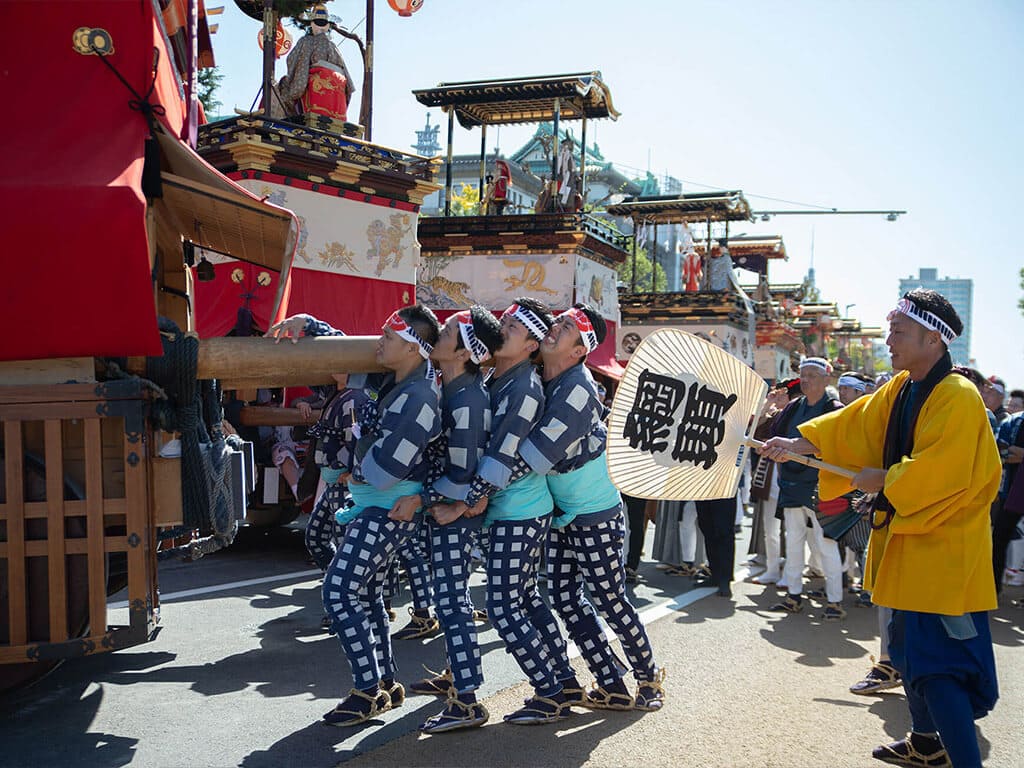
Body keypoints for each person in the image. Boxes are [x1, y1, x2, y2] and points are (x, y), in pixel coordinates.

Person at [759, 289, 1001, 768]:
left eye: (899, 332)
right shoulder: (900, 387)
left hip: (944, 552)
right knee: (908, 654)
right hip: (912, 542)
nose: (889, 340)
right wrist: (800, 442)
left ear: (933, 338)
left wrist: (886, 479)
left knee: (939, 667)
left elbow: (945, 471)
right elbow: (854, 424)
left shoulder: (957, 394)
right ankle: (926, 742)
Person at [431, 298, 575, 725]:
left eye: (511, 328)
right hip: (511, 508)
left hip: (519, 510)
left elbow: (502, 457)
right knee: (524, 601)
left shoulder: (525, 388)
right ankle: (561, 680)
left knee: (502, 607)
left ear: (531, 344)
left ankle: (548, 692)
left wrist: (465, 500)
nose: (502, 332)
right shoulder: (504, 378)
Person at [519, 303, 666, 711]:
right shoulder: (540, 376)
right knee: (565, 598)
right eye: (557, 322)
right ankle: (611, 682)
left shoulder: (579, 386)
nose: (554, 328)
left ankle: (649, 677)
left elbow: (538, 455)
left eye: (565, 327)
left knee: (609, 597)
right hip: (563, 510)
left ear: (579, 349)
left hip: (595, 512)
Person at [303, 304, 442, 727]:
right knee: (367, 596)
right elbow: (349, 346)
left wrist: (358, 460)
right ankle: (384, 682)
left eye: (389, 338)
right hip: (377, 505)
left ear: (415, 349)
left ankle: (366, 692)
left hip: (387, 508)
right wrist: (311, 324)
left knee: (339, 591)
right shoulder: (399, 380)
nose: (378, 343)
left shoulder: (418, 396)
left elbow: (386, 471)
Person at [390, 307, 503, 734]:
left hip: (453, 519)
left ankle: (468, 701)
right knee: (451, 603)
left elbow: (464, 475)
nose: (439, 331)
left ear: (463, 353)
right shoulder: (454, 384)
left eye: (449, 330)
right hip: (444, 514)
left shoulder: (469, 399)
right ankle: (459, 678)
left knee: (454, 606)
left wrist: (421, 498)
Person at [767, 358, 847, 621]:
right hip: (791, 483)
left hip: (822, 486)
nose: (806, 380)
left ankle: (835, 600)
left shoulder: (834, 409)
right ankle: (793, 594)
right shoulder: (793, 407)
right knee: (794, 539)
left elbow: (834, 444)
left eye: (813, 375)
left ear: (827, 379)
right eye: (803, 375)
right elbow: (774, 433)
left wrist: (791, 446)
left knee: (826, 544)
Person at [276, 4, 355, 119]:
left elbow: (297, 65)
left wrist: (290, 88)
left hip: (316, 93)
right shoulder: (334, 47)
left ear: (312, 23)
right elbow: (349, 83)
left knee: (282, 88)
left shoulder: (306, 42)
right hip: (337, 98)